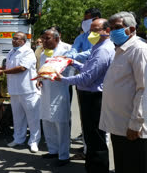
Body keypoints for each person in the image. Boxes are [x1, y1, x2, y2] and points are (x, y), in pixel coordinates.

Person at [56, 18, 114, 172]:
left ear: (107, 31)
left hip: (95, 97)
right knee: (90, 136)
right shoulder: (98, 46)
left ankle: (98, 169)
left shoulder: (103, 49)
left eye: (96, 30)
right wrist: (73, 63)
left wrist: (63, 79)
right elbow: (88, 68)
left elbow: (88, 78)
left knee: (96, 138)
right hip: (89, 95)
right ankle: (92, 167)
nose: (91, 34)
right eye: (90, 30)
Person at [99, 12, 147, 173]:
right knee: (123, 164)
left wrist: (135, 123)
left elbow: (144, 89)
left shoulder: (139, 50)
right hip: (118, 125)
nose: (112, 31)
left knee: (134, 165)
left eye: (117, 27)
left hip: (132, 128)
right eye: (111, 28)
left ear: (131, 29)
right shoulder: (121, 50)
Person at [0, 32, 40, 153]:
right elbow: (7, 66)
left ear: (23, 41)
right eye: (13, 38)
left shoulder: (28, 52)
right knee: (17, 117)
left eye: (17, 39)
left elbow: (22, 68)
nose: (13, 40)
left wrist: (4, 71)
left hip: (28, 90)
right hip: (15, 90)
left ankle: (34, 141)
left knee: (32, 118)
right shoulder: (11, 52)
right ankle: (19, 138)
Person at [37, 29, 71, 166]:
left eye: (47, 38)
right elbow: (42, 69)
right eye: (43, 38)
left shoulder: (67, 49)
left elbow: (71, 70)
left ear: (57, 39)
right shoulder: (44, 53)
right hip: (46, 90)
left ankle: (64, 155)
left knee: (61, 123)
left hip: (60, 90)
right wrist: (39, 78)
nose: (44, 41)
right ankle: (53, 150)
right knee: (46, 120)